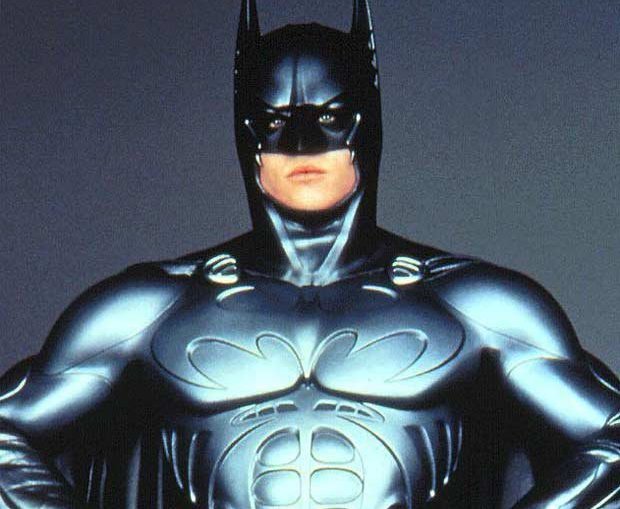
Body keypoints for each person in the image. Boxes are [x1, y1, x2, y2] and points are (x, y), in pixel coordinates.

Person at [0, 1, 619, 508]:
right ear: (245, 133)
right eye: (275, 122)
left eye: (328, 116)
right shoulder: (152, 307)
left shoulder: (474, 305)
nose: (301, 142)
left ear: (366, 124)